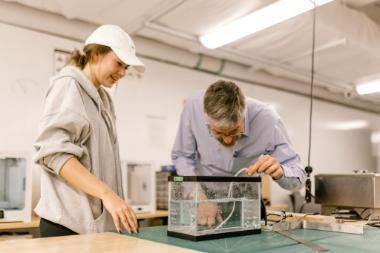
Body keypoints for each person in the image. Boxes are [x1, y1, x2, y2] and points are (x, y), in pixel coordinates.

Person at [34, 24, 145, 237]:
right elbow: (53, 153)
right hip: (67, 226)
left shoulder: (102, 100)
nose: (122, 73)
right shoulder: (68, 86)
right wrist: (107, 194)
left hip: (90, 228)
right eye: (119, 63)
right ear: (95, 54)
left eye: (126, 68)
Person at [171, 80, 305, 226]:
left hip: (248, 203)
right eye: (218, 132)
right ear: (206, 117)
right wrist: (200, 198)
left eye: (235, 131)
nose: (228, 140)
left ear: (243, 114)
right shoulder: (193, 106)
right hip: (204, 201)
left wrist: (280, 172)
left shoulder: (268, 120)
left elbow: (298, 180)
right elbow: (182, 156)